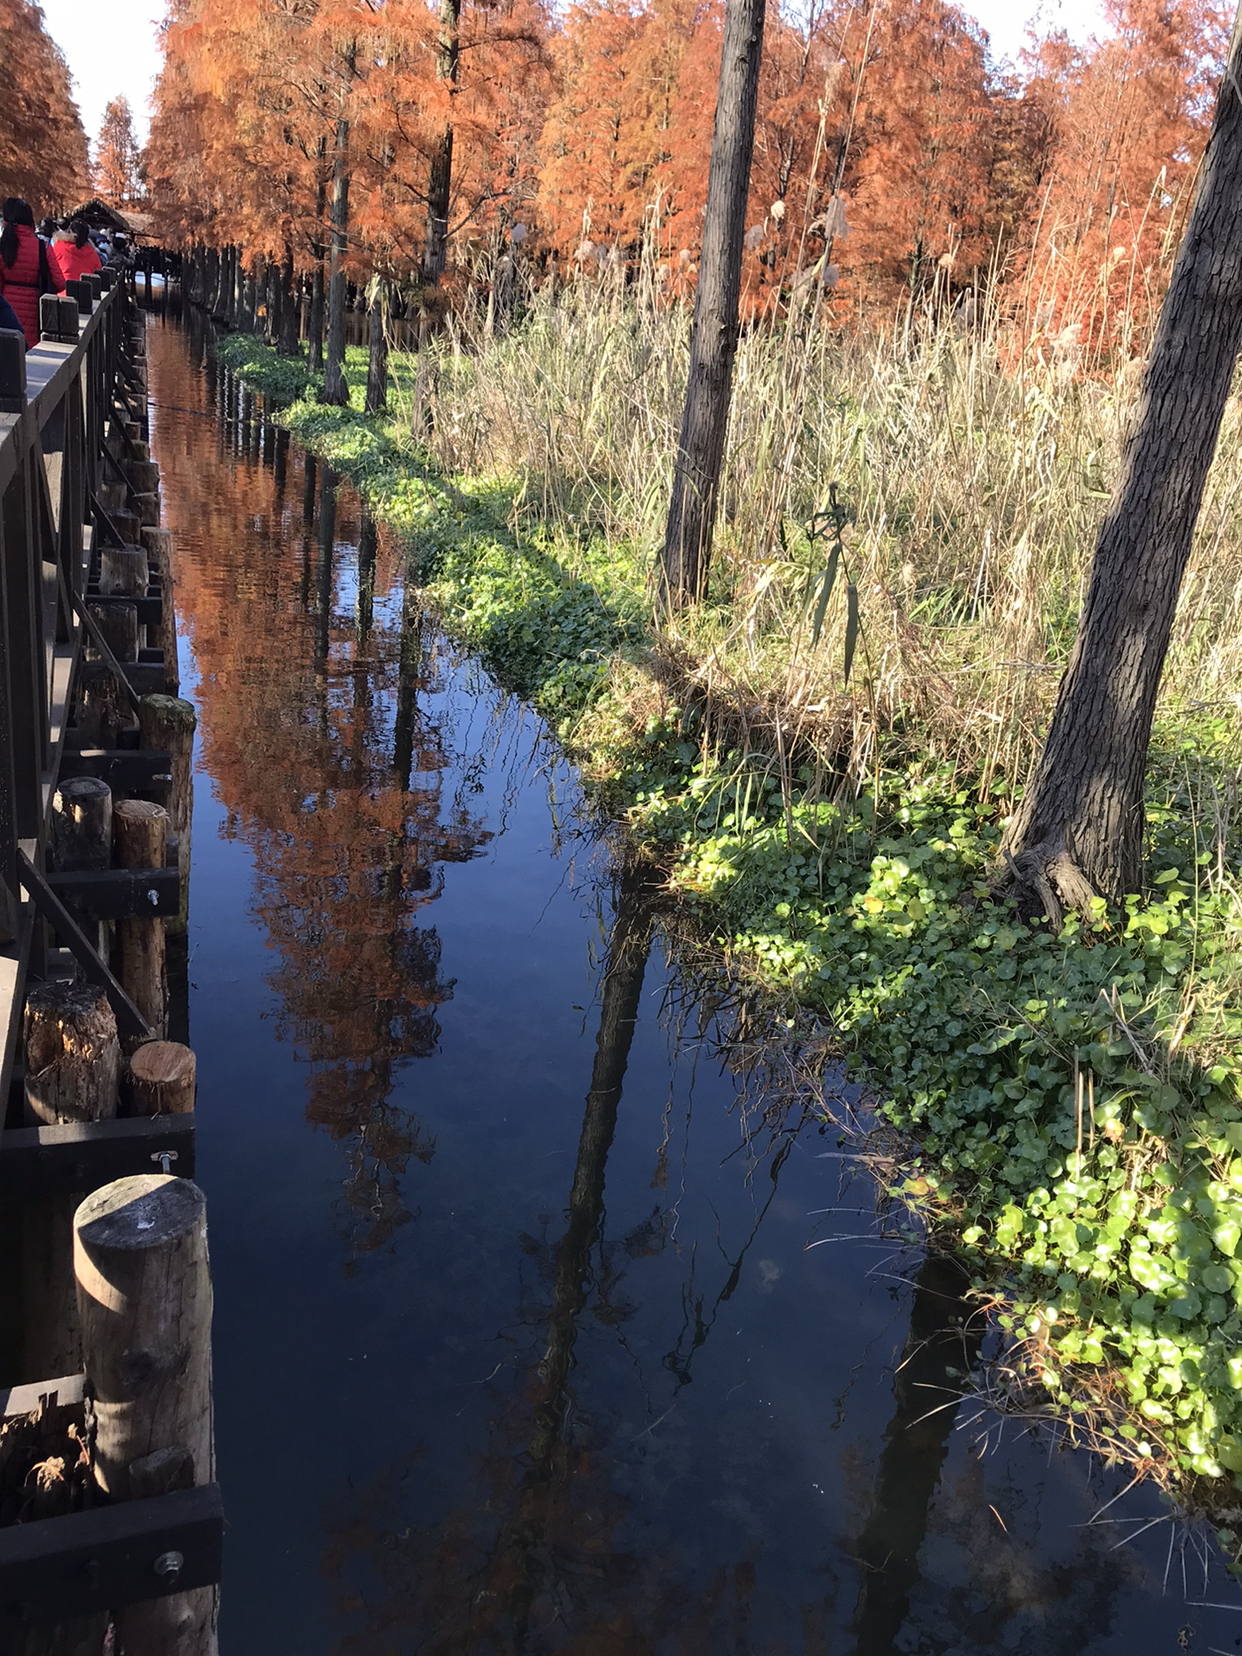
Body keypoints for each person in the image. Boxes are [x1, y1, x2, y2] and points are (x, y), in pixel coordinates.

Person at [0, 198, 64, 348]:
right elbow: (60, 283)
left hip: (5, 312)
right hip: (35, 313)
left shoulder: (2, 247)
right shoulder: (43, 247)